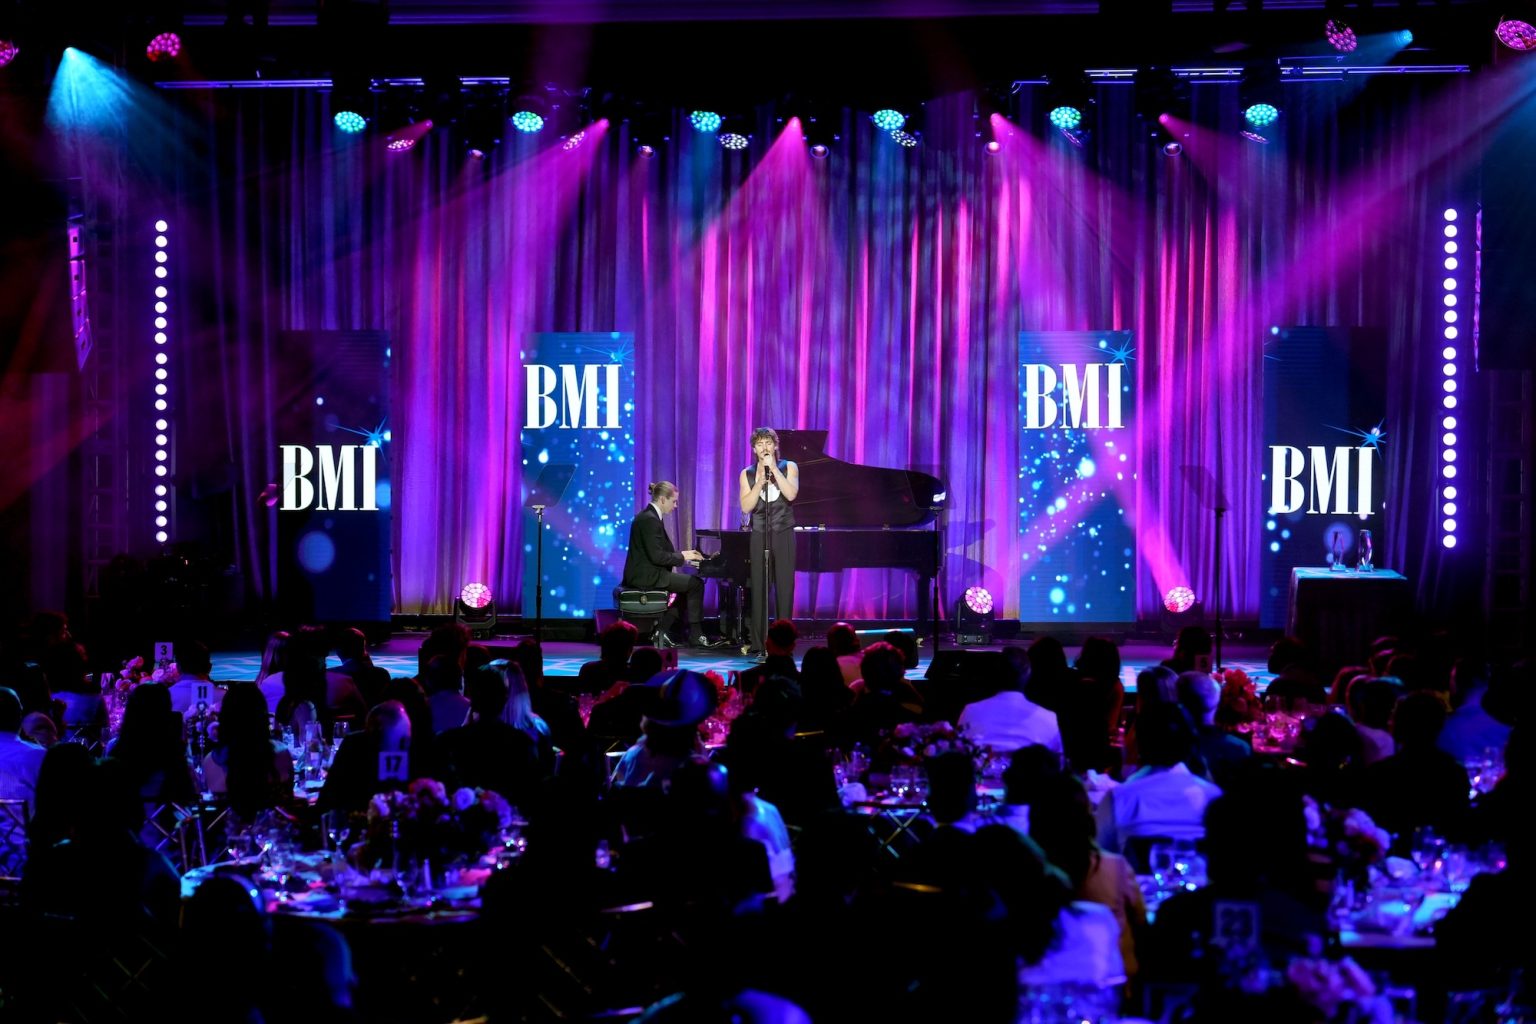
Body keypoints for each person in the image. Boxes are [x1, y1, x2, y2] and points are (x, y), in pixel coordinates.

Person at [622, 481, 725, 649]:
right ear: (662, 499)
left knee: (688, 587)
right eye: (674, 501)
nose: (676, 505)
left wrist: (690, 556)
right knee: (695, 584)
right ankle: (696, 635)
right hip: (646, 576)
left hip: (648, 572)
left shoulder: (650, 517)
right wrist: (683, 556)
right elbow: (657, 557)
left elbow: (660, 551)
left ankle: (662, 631)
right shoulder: (649, 520)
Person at [738, 427, 798, 658]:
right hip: (759, 533)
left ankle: (784, 643)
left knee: (785, 588)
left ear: (775, 446)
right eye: (760, 444)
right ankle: (759, 643)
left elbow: (791, 494)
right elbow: (746, 506)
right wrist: (759, 481)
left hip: (783, 532)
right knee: (760, 588)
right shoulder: (747, 473)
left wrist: (773, 469)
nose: (764, 447)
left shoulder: (789, 467)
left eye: (768, 443)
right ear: (754, 449)